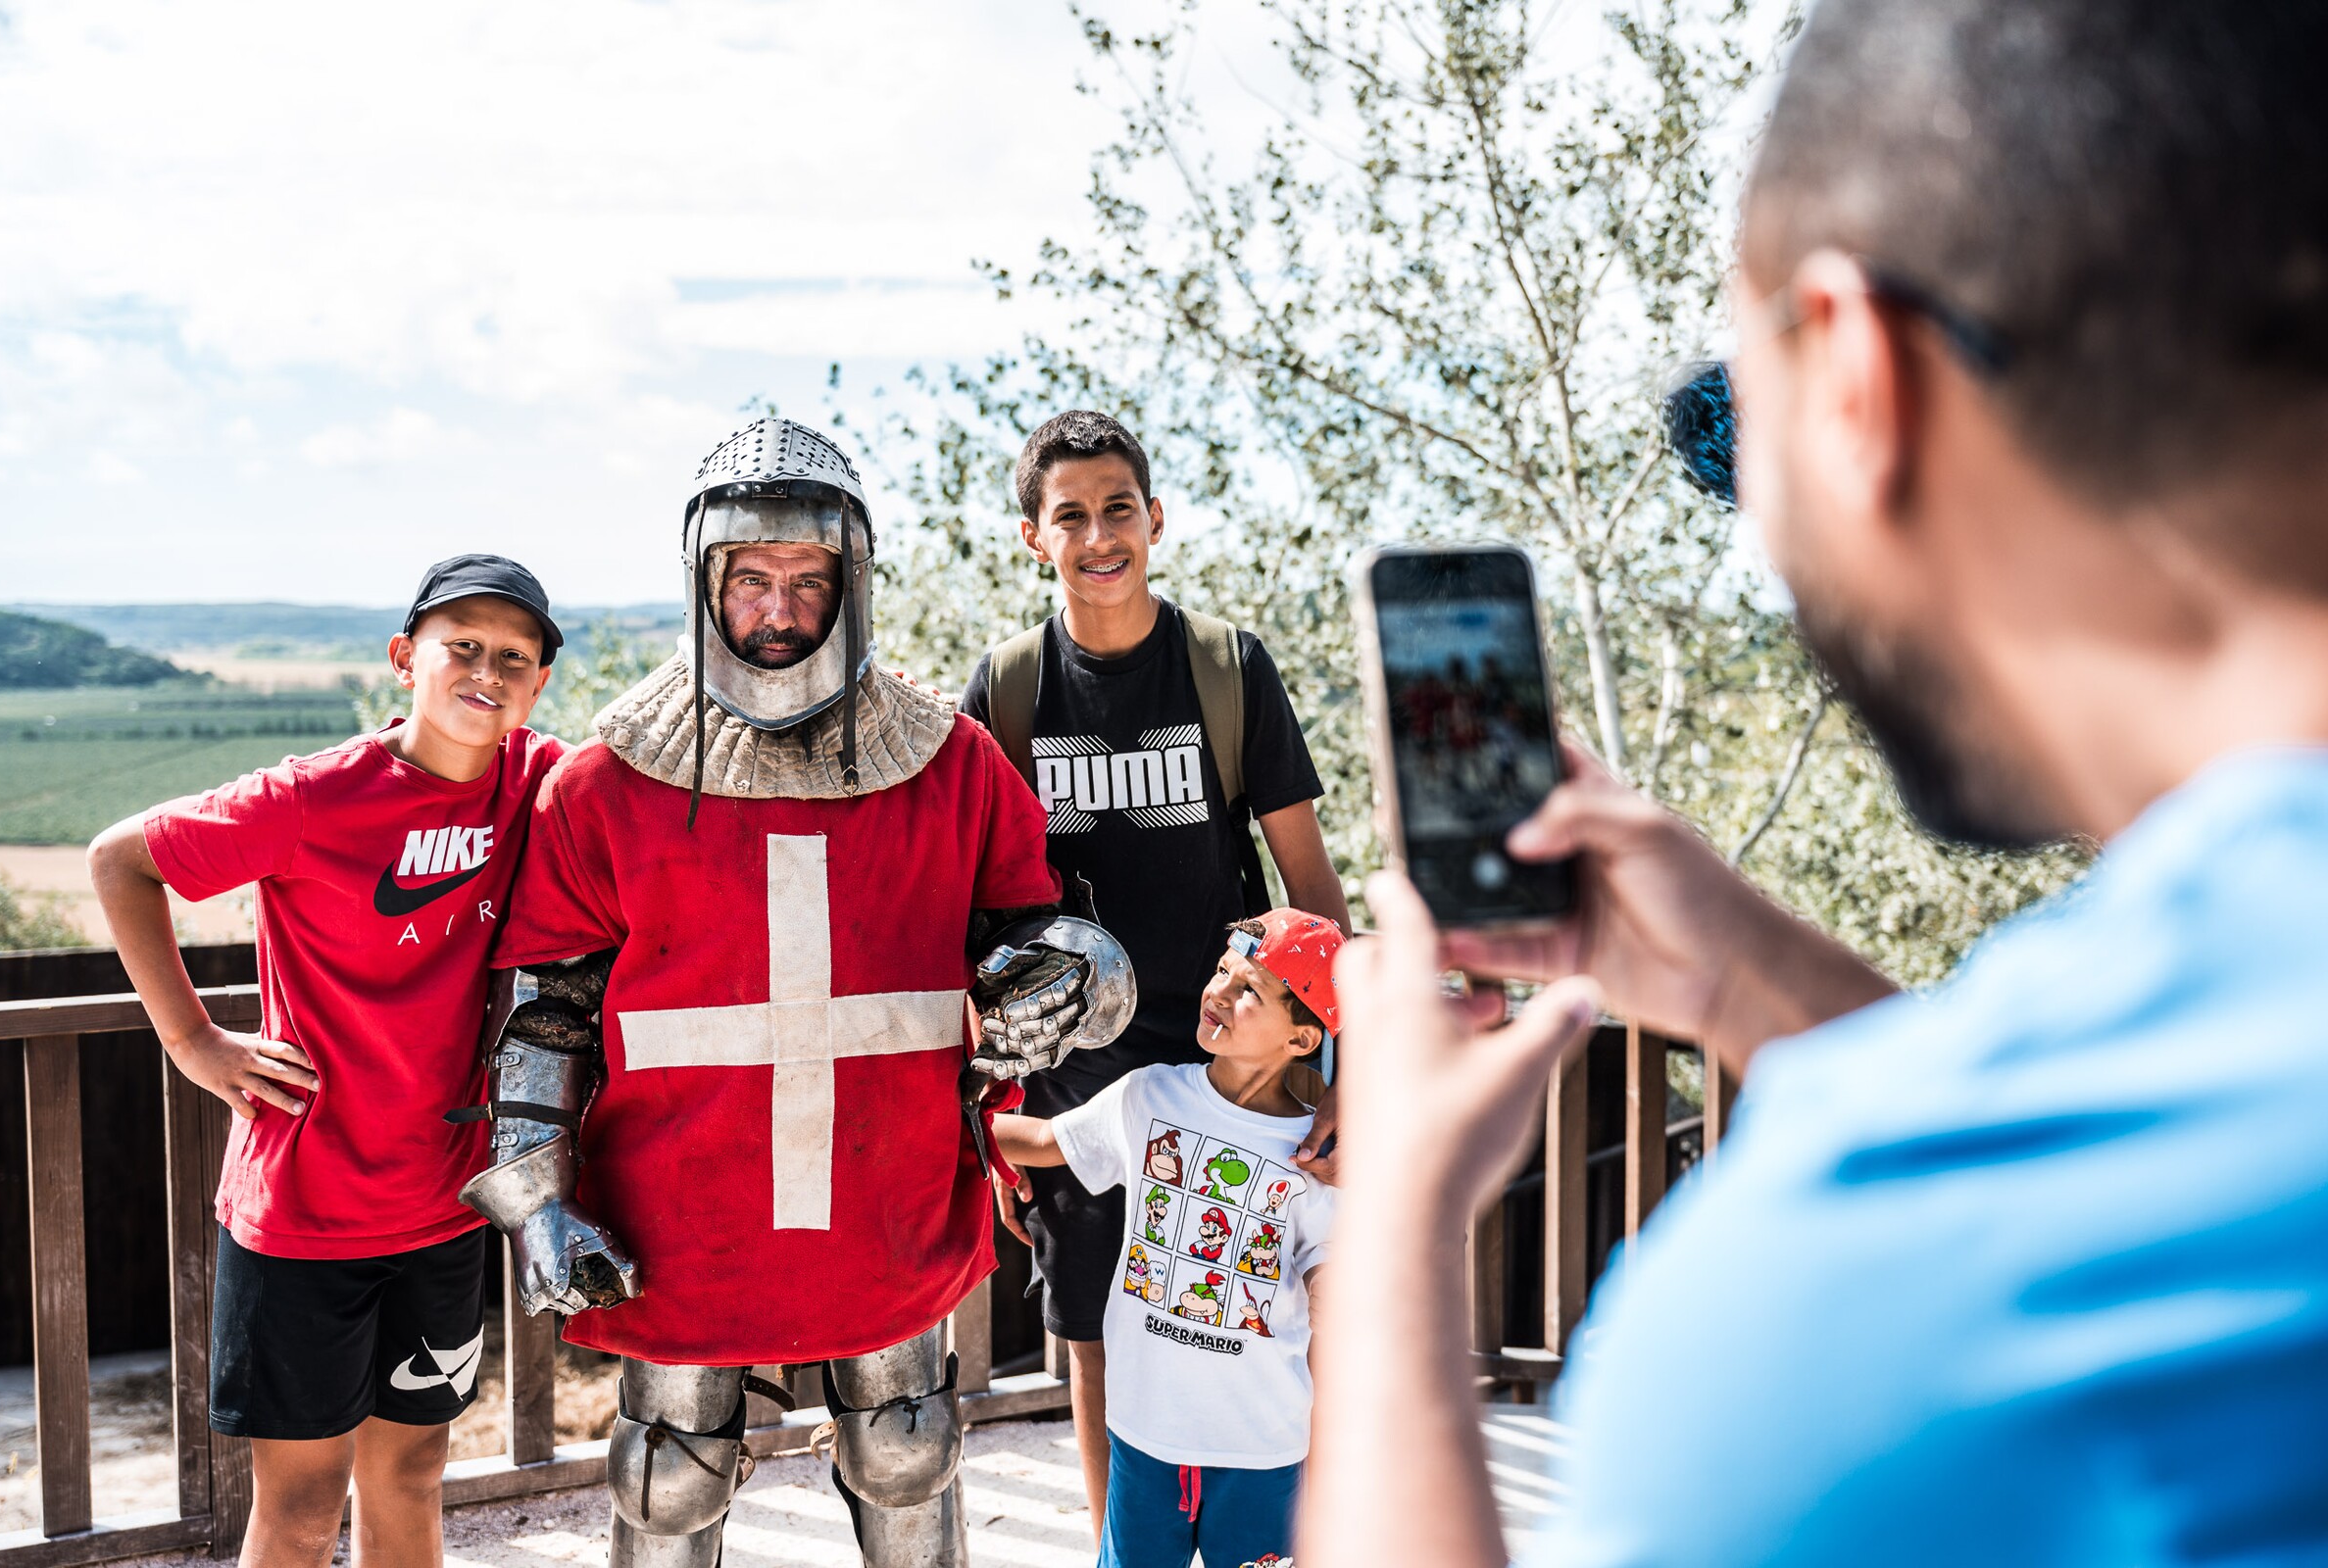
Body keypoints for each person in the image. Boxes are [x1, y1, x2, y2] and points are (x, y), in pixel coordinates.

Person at [1303, 3, 2328, 1564]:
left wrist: (1389, 1236)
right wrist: (1772, 988)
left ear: (1857, 373)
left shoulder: (1849, 1313)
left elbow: (2006, 1262)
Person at [463, 416, 1135, 1568]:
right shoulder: (606, 784)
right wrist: (538, 1201)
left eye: (808, 580)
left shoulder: (951, 761)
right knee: (668, 1474)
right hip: (677, 1214)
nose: (779, 611)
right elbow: (547, 1008)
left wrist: (1078, 970)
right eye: (752, 579)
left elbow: (1030, 931)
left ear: (852, 582)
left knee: (908, 1447)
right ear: (704, 580)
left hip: (886, 1191)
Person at [87, 557, 571, 1568]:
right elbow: (121, 859)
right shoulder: (311, 797)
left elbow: (674, 761)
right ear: (406, 660)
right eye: (464, 647)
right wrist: (191, 1040)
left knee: (413, 1474)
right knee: (304, 1503)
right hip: (305, 1216)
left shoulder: (540, 781)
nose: (487, 670)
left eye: (514, 658)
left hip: (444, 1208)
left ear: (537, 686)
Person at [959, 410, 1353, 1536]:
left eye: (1117, 508)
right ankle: (1114, 1545)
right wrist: (983, 1081)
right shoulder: (1012, 687)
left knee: (1260, 1313)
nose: (1098, 535)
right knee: (1092, 1324)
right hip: (1077, 1077)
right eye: (1069, 515)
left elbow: (1310, 883)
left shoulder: (1226, 667)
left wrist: (1342, 1075)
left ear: (1155, 519)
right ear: (1034, 536)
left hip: (1231, 1060)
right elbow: (968, 896)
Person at [993, 909, 1343, 1568]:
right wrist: (951, 1125)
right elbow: (1043, 1141)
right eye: (1222, 971)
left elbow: (1330, 1266)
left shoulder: (1315, 1153)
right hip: (1142, 1432)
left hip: (1261, 1446)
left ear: (1301, 1040)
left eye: (1250, 991)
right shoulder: (1148, 1097)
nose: (1218, 993)